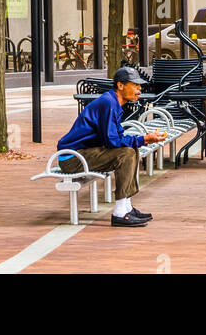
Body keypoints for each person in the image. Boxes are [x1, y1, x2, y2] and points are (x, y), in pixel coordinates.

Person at [57, 66, 165, 227]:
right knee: (126, 154)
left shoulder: (112, 102)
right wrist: (144, 138)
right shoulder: (108, 103)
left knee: (132, 150)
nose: (139, 89)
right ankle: (120, 213)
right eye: (135, 85)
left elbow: (117, 137)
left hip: (84, 154)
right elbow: (112, 141)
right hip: (73, 158)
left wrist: (143, 140)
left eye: (140, 86)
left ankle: (126, 206)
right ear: (120, 85)